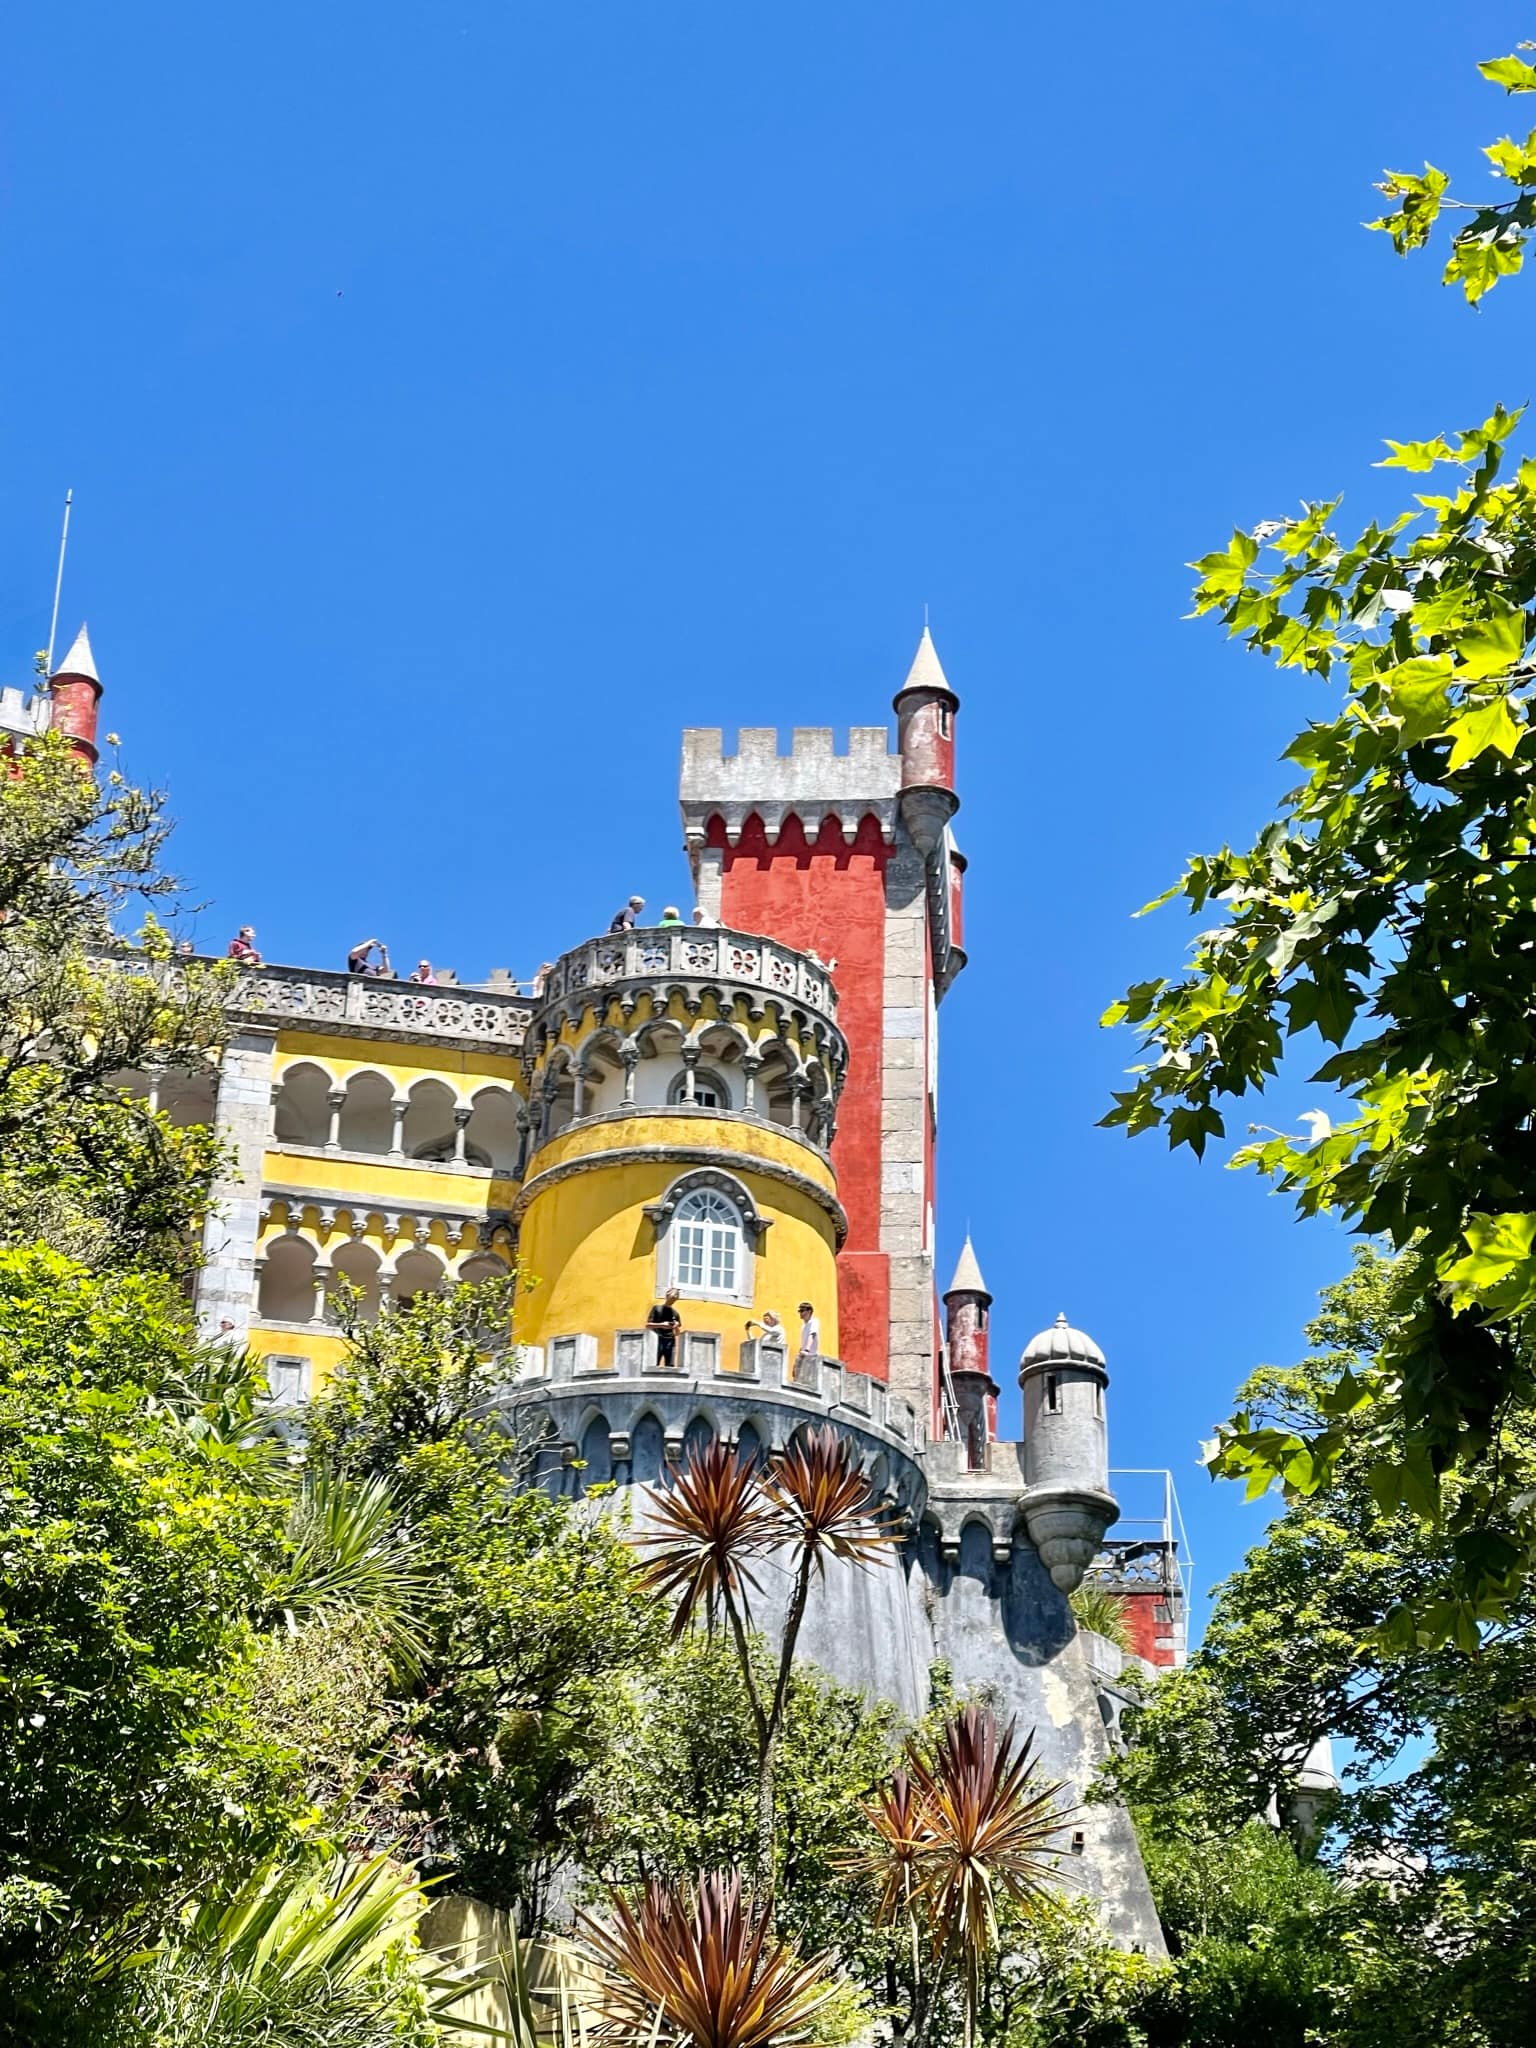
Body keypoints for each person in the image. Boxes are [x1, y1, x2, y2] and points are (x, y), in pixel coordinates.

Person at [647, 1287, 682, 1369]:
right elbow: (648, 1325)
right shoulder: (656, 1309)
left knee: (670, 1366)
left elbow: (677, 1332)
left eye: (674, 1300)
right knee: (654, 1364)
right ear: (666, 1296)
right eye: (671, 1298)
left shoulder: (675, 1313)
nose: (672, 1301)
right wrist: (661, 1325)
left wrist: (676, 1327)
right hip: (657, 1339)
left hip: (670, 1340)